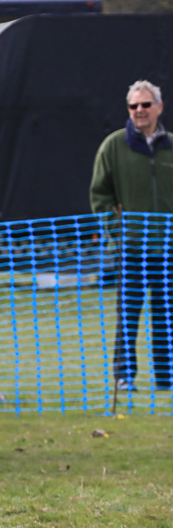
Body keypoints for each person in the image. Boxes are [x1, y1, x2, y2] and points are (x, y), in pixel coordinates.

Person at [90, 79, 173, 393]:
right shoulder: (113, 146)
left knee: (166, 315)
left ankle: (166, 377)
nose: (140, 111)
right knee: (128, 315)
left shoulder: (171, 146)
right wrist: (117, 233)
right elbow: (100, 196)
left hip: (167, 249)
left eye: (146, 104)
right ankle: (124, 377)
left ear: (158, 108)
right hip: (132, 250)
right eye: (134, 106)